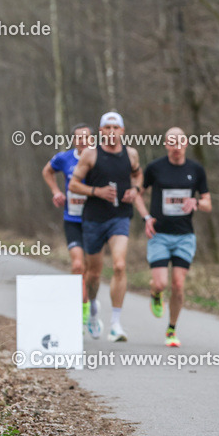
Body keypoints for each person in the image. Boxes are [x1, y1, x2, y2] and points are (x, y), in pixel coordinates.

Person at [133, 127, 211, 347]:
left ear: (186, 143)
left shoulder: (196, 170)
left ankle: (171, 329)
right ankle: (155, 292)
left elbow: (207, 203)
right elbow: (137, 195)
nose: (176, 147)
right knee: (161, 283)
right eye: (171, 142)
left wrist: (196, 202)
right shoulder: (155, 168)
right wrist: (146, 217)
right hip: (159, 234)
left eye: (180, 142)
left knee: (177, 284)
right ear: (166, 144)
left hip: (184, 236)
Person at [68, 112, 142, 342]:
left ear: (122, 131)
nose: (111, 132)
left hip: (120, 216)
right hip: (93, 219)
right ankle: (91, 310)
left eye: (115, 128)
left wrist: (136, 190)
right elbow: (73, 184)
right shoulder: (91, 154)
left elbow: (138, 175)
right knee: (93, 274)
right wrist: (96, 191)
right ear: (101, 131)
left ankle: (116, 325)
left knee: (119, 265)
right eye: (107, 128)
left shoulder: (131, 154)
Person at [44, 124, 96, 333]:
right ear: (73, 140)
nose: (82, 141)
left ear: (93, 139)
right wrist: (56, 191)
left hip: (94, 221)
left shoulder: (99, 159)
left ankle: (91, 303)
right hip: (72, 218)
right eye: (78, 138)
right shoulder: (64, 158)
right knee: (77, 265)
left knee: (92, 271)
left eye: (86, 137)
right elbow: (47, 171)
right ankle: (81, 307)